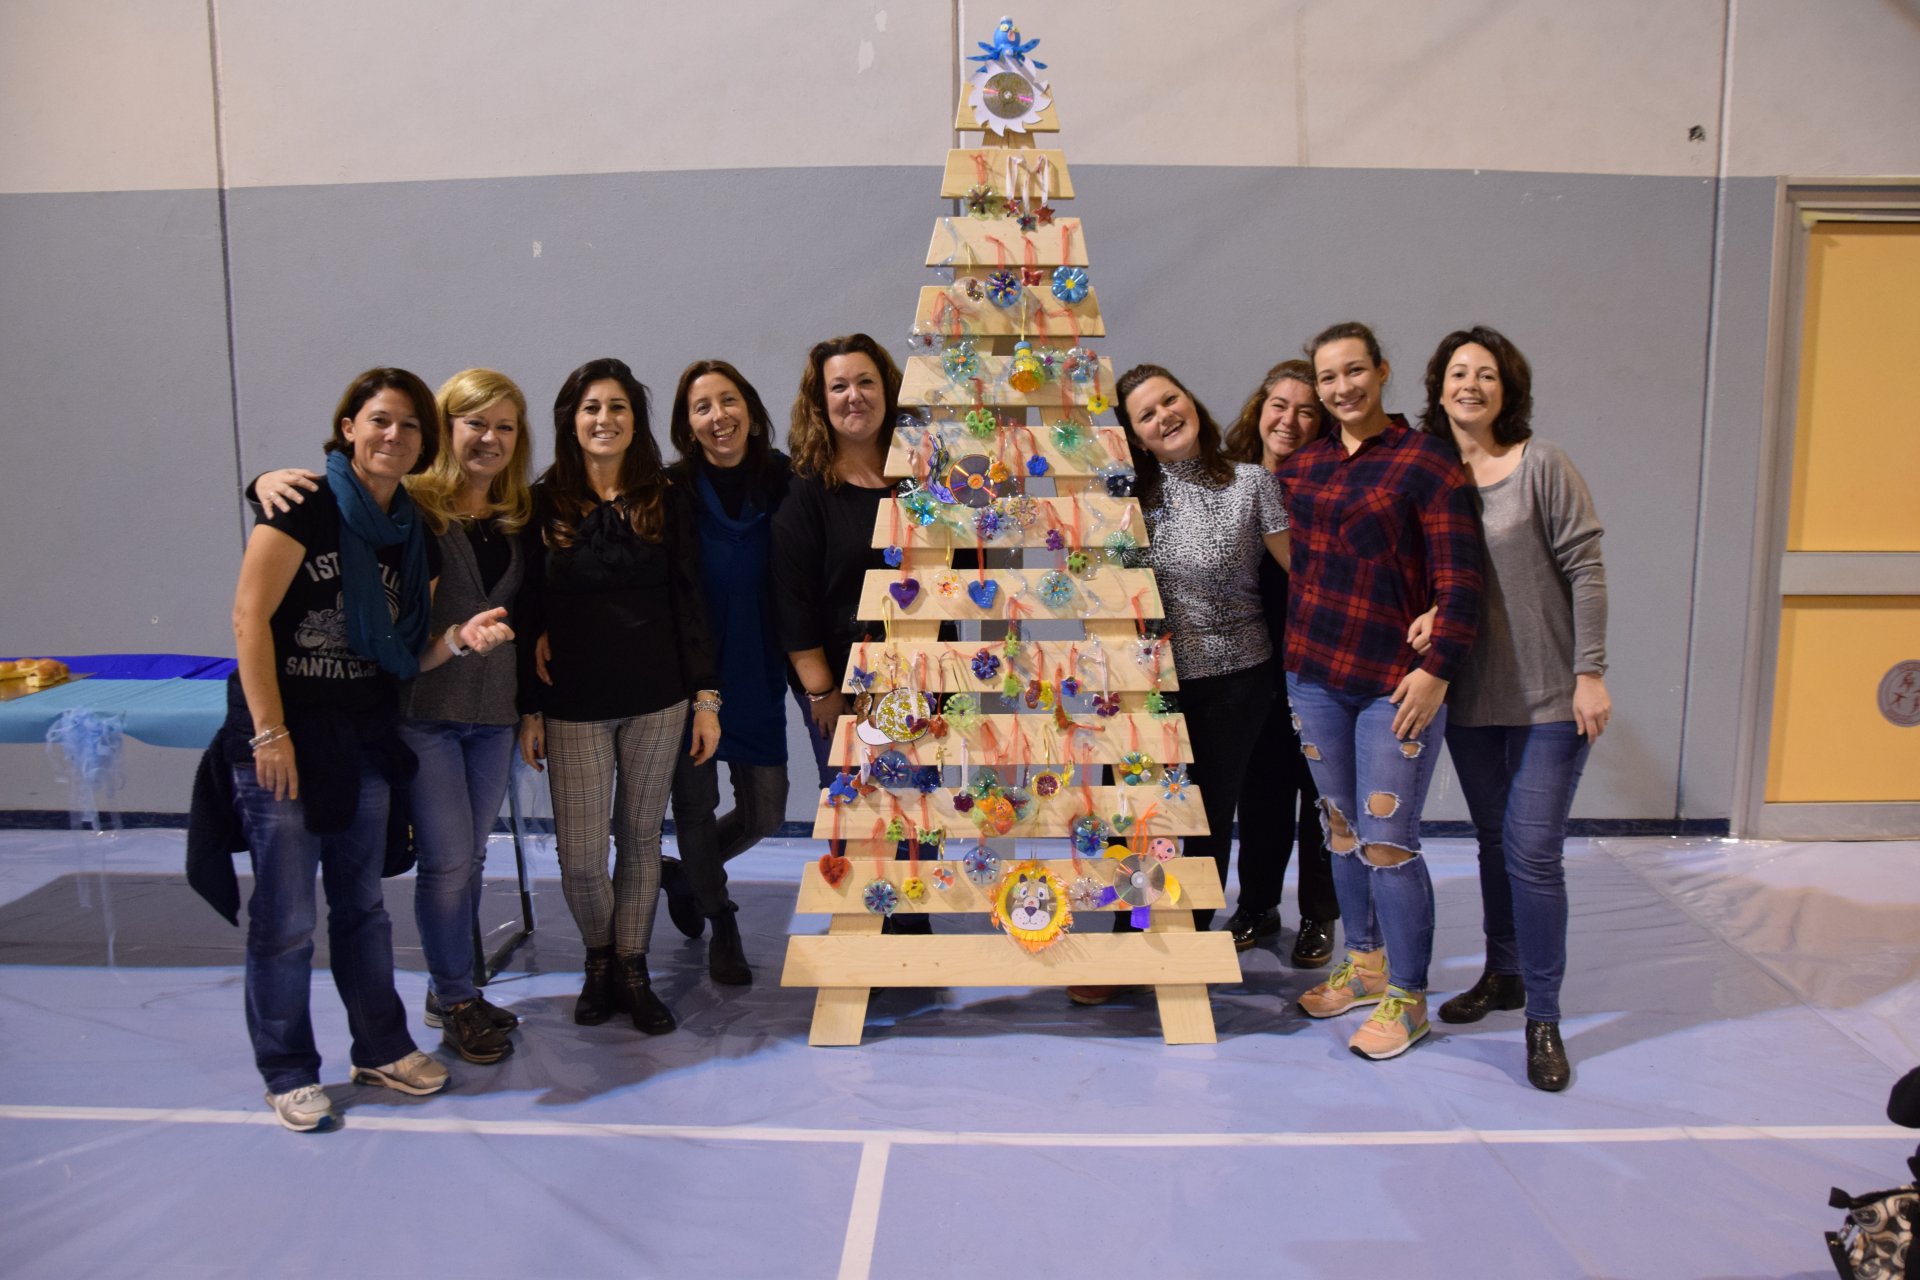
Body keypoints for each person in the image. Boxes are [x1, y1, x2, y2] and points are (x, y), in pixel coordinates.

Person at [219, 367, 512, 1130]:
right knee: (287, 916)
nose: (395, 436)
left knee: (362, 907)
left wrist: (459, 638)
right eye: (380, 420)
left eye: (410, 425)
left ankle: (380, 1046)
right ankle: (287, 1070)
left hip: (364, 737)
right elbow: (249, 619)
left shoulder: (412, 533)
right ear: (348, 426)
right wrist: (269, 732)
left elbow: (403, 656)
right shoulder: (303, 505)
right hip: (286, 739)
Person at [1278, 322, 1483, 1061]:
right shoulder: (1303, 468)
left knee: (1389, 842)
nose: (1343, 387)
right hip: (1313, 677)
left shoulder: (1427, 461)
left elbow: (1462, 581)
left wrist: (1438, 670)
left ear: (1382, 371)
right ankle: (1363, 964)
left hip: (1395, 687)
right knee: (1340, 830)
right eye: (1328, 377)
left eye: (1354, 371)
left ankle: (1408, 995)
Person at [1414, 326, 1609, 1091]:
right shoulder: (1432, 475)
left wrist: (1590, 673)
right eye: (1459, 373)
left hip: (1551, 698)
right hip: (1470, 699)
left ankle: (1544, 1018)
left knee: (1532, 852)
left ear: (1507, 390)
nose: (1471, 385)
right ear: (1438, 388)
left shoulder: (1542, 465)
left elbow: (1586, 568)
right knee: (1494, 843)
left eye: (1487, 374)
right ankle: (1503, 974)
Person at [1067, 364, 1291, 1005]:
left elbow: (1306, 575)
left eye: (1170, 400)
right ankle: (1128, 945)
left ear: (1190, 400)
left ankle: (1182, 948)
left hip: (1234, 683)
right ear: (1135, 435)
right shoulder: (1126, 498)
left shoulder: (1252, 484)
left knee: (1203, 823)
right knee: (1134, 819)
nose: (1164, 416)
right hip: (1146, 688)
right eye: (1146, 414)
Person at [516, 358, 720, 1035]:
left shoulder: (667, 497)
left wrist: (707, 698)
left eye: (618, 407)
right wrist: (528, 707)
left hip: (659, 699)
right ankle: (597, 957)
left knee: (638, 841)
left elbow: (692, 599)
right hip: (573, 702)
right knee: (580, 857)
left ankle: (631, 970)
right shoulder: (541, 503)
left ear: (635, 420)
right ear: (570, 421)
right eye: (591, 408)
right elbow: (525, 610)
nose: (604, 419)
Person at [769, 334, 933, 935]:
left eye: (865, 382)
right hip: (841, 685)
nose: (854, 396)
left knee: (919, 806)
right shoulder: (805, 490)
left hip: (922, 676)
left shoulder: (919, 479)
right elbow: (791, 598)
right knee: (861, 813)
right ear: (821, 402)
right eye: (838, 386)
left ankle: (911, 933)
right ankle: (866, 941)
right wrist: (822, 692)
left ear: (888, 390)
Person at [657, 359, 794, 986]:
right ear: (687, 425)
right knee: (696, 806)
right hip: (690, 675)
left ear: (751, 409)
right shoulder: (671, 490)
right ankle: (722, 920)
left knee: (766, 812)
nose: (719, 416)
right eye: (702, 406)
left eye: (728, 400)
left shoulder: (785, 479)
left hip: (758, 669)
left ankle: (686, 874)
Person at [1221, 359, 1339, 967]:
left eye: (1306, 411)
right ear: (1258, 410)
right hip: (1252, 664)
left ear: (1323, 423)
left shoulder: (1328, 486)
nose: (1289, 420)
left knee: (1321, 795)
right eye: (1279, 405)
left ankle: (1319, 915)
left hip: (1318, 661)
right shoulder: (1231, 481)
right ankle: (1258, 905)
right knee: (1260, 792)